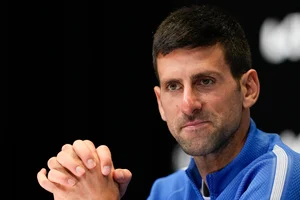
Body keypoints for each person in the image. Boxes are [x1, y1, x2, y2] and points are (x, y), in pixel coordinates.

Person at [37, 4, 300, 200]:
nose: (189, 104)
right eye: (173, 86)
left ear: (248, 89)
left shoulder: (283, 174)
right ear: (160, 103)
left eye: (205, 81)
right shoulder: (164, 191)